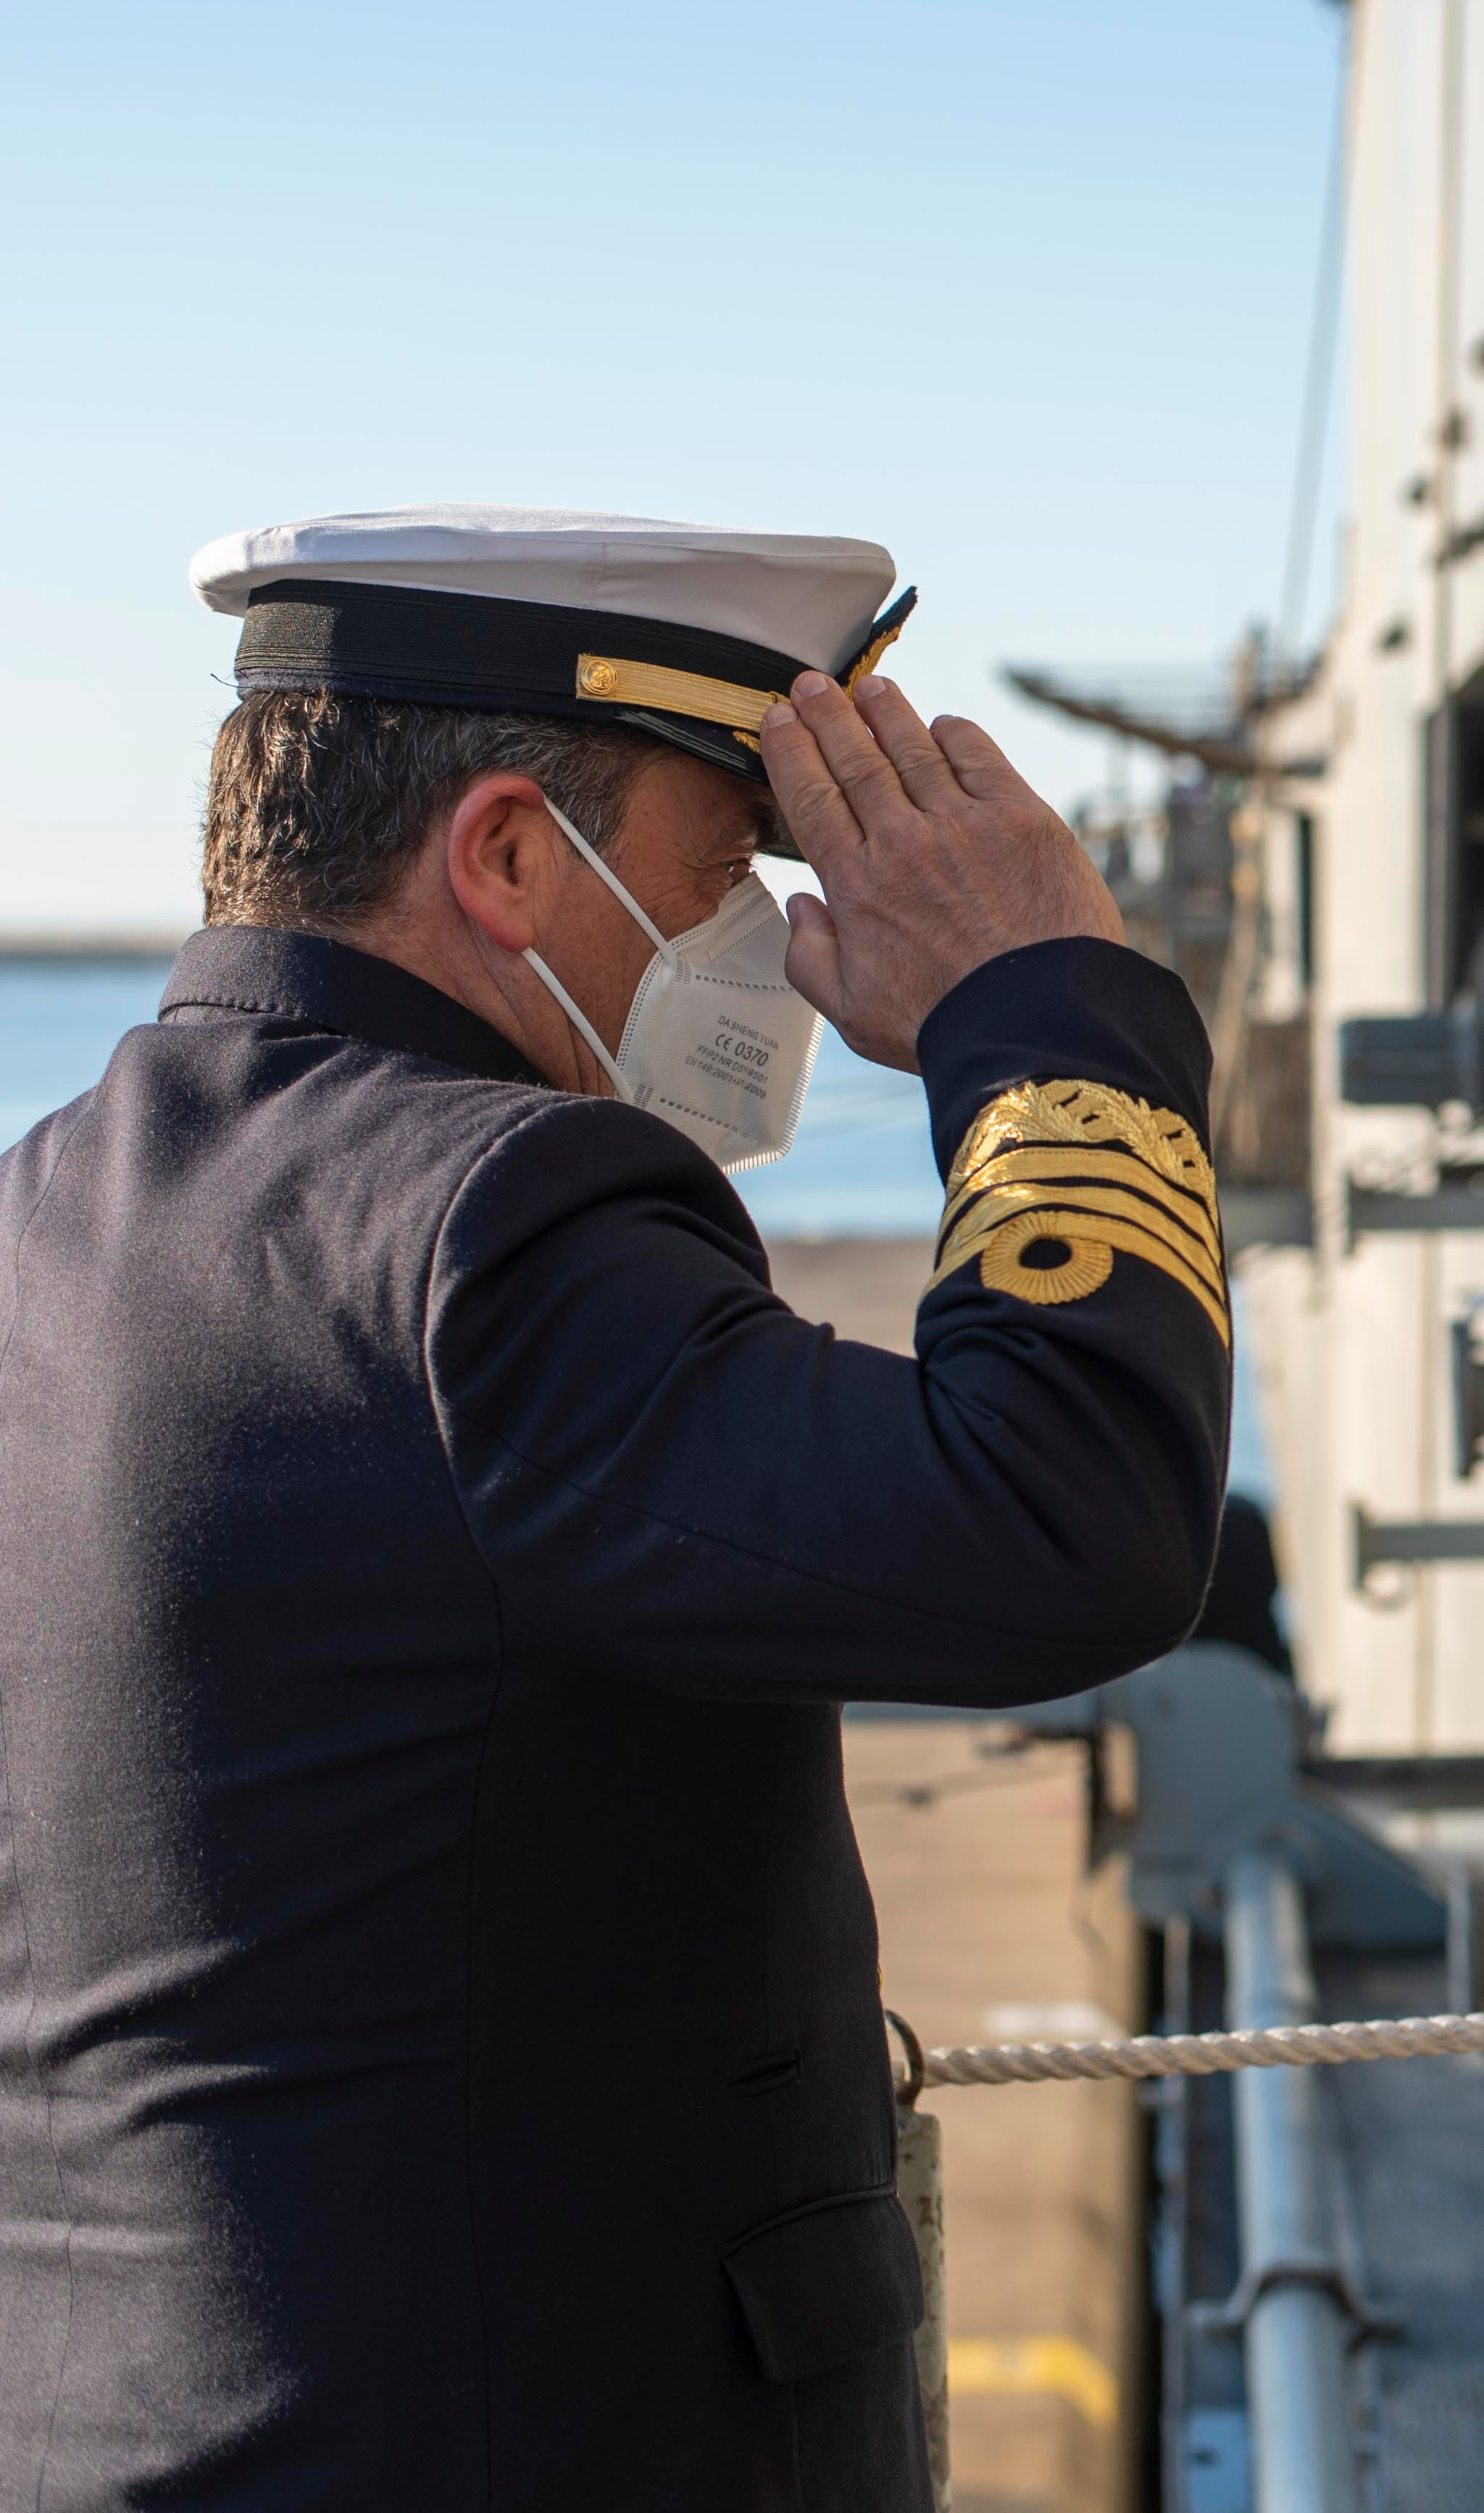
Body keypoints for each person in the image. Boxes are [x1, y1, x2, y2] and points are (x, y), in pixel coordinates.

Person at [0, 512, 1230, 2504]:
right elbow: (1070, 1525)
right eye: (726, 869)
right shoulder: (487, 1223)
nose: (777, 943)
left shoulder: (46, 1210)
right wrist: (1047, 1011)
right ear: (503, 856)